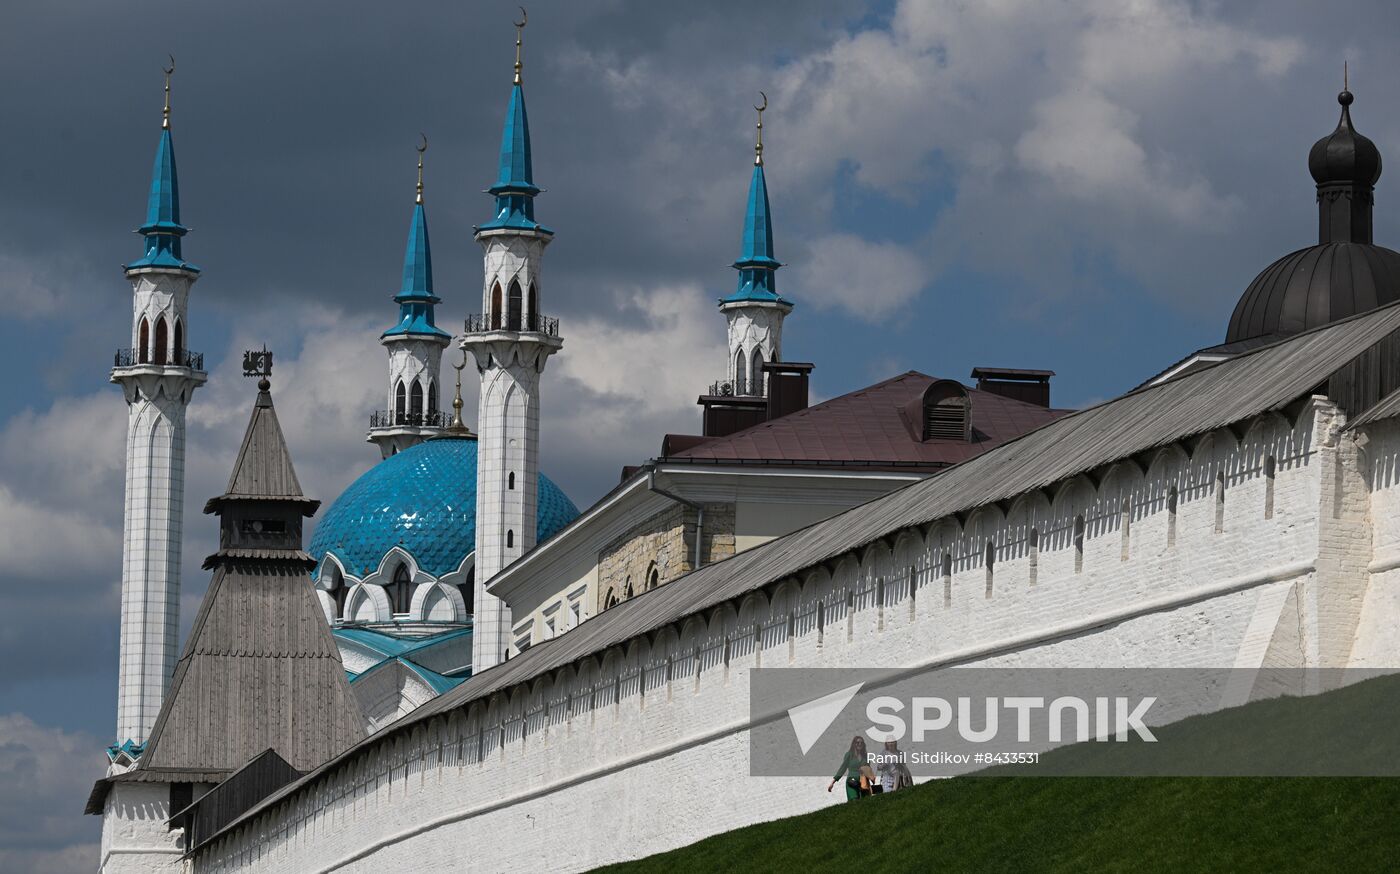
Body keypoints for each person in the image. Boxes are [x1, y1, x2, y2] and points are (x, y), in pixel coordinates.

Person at [827, 735, 868, 801]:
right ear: (854, 744)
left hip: (863, 781)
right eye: (857, 742)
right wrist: (833, 782)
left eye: (861, 743)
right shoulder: (849, 755)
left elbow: (868, 769)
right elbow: (842, 768)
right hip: (852, 781)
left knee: (864, 801)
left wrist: (871, 780)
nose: (859, 744)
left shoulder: (865, 756)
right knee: (854, 800)